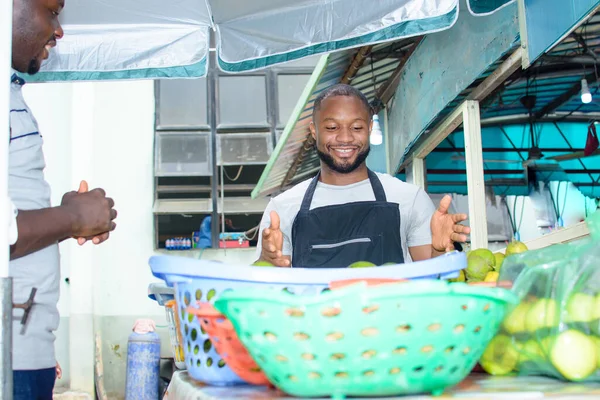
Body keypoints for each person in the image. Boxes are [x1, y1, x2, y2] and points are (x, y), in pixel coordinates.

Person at [10, 0, 118, 398]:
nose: (59, 30)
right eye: (52, 11)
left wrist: (68, 216)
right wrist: (72, 217)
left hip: (26, 349)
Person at [256, 84, 470, 268]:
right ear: (314, 131)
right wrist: (266, 259)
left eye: (357, 127)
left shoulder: (408, 198)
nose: (345, 137)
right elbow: (266, 287)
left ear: (369, 128)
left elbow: (433, 279)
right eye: (332, 127)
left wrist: (440, 250)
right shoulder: (282, 208)